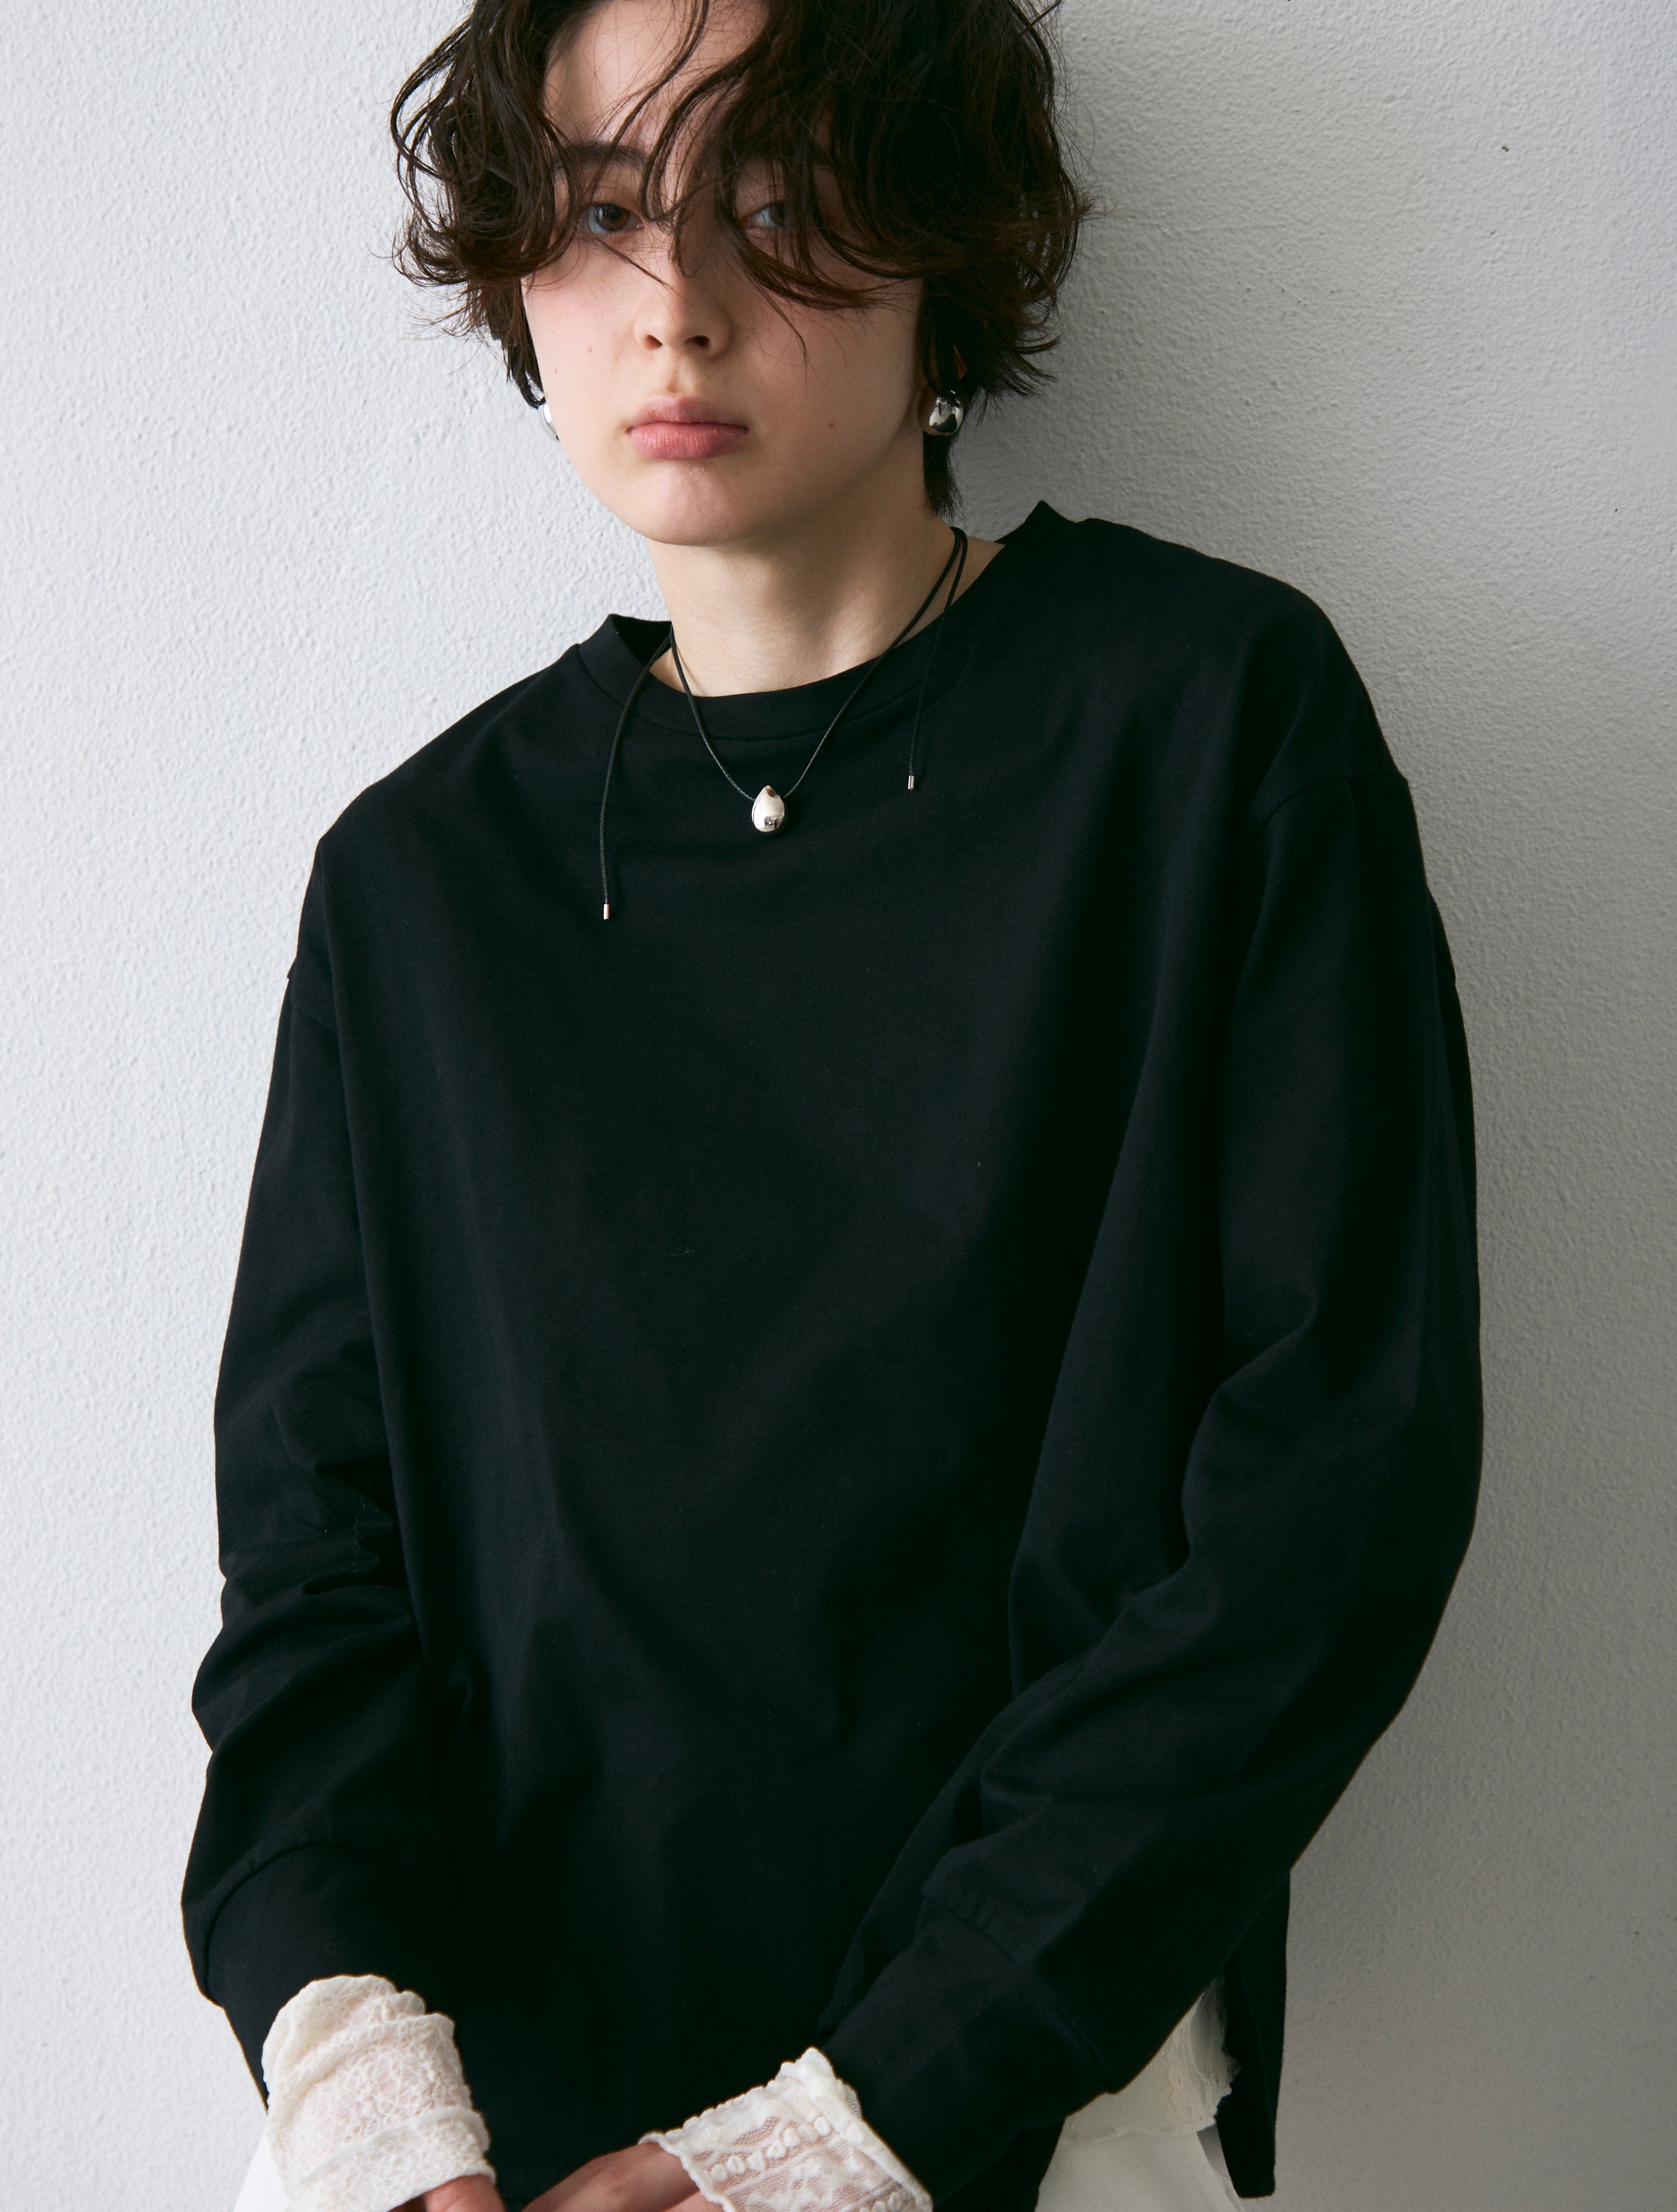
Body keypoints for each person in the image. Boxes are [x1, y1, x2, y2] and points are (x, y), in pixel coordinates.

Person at [181, 1, 1485, 2208]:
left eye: (775, 201)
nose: (675, 303)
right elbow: (316, 1570)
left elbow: (1330, 1495)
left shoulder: (1205, 729)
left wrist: (844, 2130)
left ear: (941, 241)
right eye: (596, 210)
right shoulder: (418, 883)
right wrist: (373, 2103)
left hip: (1018, 2117)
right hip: (504, 2149)